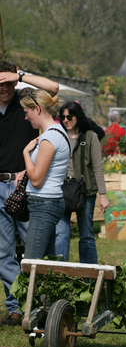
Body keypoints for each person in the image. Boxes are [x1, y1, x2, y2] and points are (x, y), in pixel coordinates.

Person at [0, 61, 58, 326]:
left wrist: (21, 75)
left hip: (25, 185)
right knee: (3, 253)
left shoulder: (25, 102)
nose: (6, 88)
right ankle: (17, 306)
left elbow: (53, 88)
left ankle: (39, 304)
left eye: (10, 82)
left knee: (35, 249)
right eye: (1, 83)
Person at [15, 89, 70, 261]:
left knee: (32, 262)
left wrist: (25, 153)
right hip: (48, 202)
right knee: (48, 263)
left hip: (44, 203)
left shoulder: (49, 138)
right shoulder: (57, 132)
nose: (26, 118)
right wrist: (27, 171)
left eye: (27, 112)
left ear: (37, 109)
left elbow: (37, 180)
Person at [55, 101, 109, 263]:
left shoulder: (90, 136)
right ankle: (58, 274)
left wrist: (103, 195)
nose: (66, 120)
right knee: (61, 234)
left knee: (86, 235)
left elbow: (98, 167)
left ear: (77, 116)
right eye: (63, 117)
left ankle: (89, 275)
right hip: (62, 190)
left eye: (69, 116)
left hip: (85, 191)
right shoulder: (58, 136)